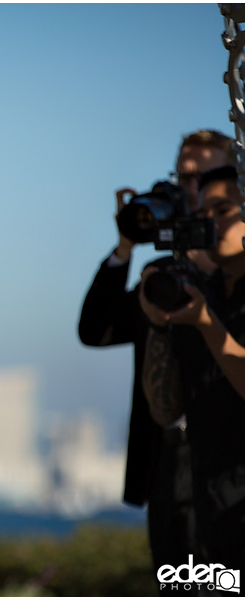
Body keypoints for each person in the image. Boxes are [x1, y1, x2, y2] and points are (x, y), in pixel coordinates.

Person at [77, 130, 237, 588]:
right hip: (168, 465)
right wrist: (126, 245)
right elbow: (96, 329)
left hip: (229, 469)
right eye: (182, 177)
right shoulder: (166, 274)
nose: (189, 190)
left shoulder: (235, 277)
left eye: (201, 178)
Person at [141, 165, 245, 583]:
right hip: (207, 511)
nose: (212, 222)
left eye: (224, 209)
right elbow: (166, 408)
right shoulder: (200, 290)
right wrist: (158, 322)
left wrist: (206, 322)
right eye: (205, 212)